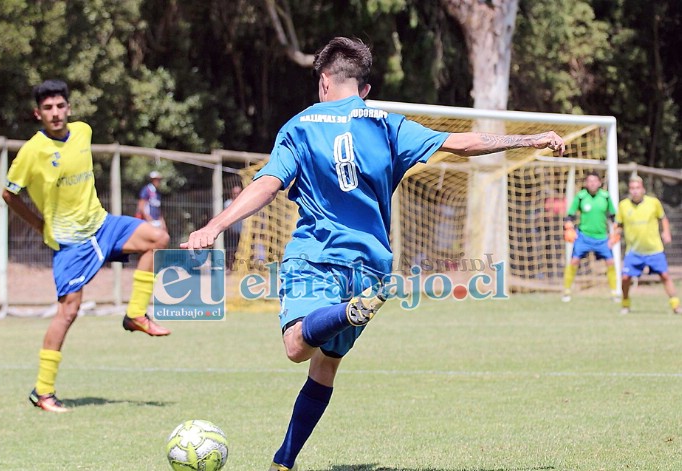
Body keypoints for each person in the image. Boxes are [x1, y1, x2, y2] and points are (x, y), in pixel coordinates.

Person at [181, 37, 565, 470]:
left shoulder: (300, 126)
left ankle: (347, 313)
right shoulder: (386, 122)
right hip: (371, 268)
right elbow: (462, 142)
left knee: (296, 346)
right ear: (364, 87)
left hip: (317, 254)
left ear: (324, 80)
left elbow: (267, 184)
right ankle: (282, 463)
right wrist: (527, 139)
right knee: (324, 367)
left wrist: (215, 226)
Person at [2, 79, 171, 413]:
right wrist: (39, 224)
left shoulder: (83, 132)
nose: (55, 113)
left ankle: (135, 313)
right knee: (68, 313)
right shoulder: (32, 152)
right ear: (38, 114)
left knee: (157, 238)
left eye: (60, 106)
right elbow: (9, 193)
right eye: (47, 108)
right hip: (72, 245)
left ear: (69, 108)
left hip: (103, 225)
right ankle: (43, 391)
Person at [615, 175, 681, 315]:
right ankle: (625, 304)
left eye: (637, 188)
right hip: (633, 251)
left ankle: (676, 305)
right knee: (625, 278)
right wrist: (614, 236)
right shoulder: (623, 205)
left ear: (643, 189)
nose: (635, 191)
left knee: (664, 276)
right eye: (632, 188)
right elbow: (619, 225)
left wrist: (666, 232)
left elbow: (663, 218)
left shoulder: (653, 203)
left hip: (654, 249)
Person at [561, 171, 619, 302]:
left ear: (599, 183)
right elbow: (570, 215)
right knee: (574, 261)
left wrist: (616, 232)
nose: (592, 183)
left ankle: (615, 292)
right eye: (589, 181)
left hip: (602, 238)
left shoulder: (605, 197)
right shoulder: (581, 197)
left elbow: (613, 217)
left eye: (594, 181)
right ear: (586, 183)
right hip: (583, 237)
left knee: (610, 262)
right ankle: (566, 291)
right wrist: (569, 228)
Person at [223, 184, 242, 271]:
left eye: (238, 193)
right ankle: (229, 267)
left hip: (243, 232)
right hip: (231, 231)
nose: (236, 195)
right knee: (230, 250)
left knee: (241, 250)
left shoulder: (244, 203)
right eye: (235, 193)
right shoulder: (228, 204)